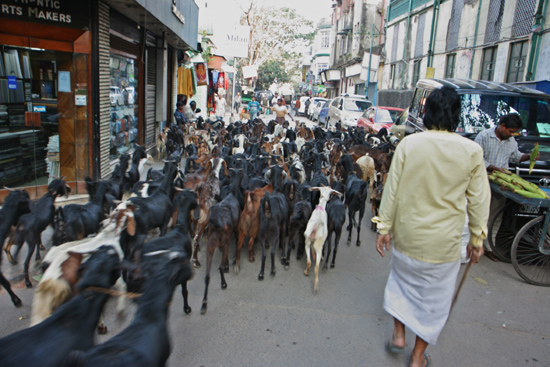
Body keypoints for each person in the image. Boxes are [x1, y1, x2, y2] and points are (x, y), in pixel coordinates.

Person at [373, 86, 490, 367]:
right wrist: (477, 239)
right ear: (457, 116)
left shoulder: (410, 144)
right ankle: (416, 357)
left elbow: (392, 190)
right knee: (434, 302)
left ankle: (399, 335)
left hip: (408, 236)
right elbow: (479, 201)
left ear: (426, 113)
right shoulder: (472, 151)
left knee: (401, 286)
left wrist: (383, 227)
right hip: (445, 244)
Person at [474, 113, 538, 261]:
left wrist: (530, 156)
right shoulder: (484, 136)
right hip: (483, 180)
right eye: (510, 131)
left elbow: (517, 156)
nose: (512, 134)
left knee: (495, 216)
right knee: (478, 212)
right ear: (502, 126)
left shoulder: (511, 141)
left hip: (501, 184)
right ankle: (471, 243)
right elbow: (477, 158)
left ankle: (489, 247)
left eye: (514, 132)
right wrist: (495, 168)